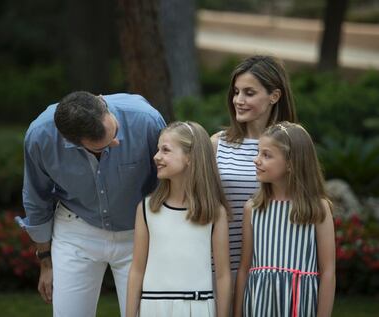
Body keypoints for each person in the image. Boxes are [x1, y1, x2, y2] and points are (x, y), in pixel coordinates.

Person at [15, 91, 166, 317]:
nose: (115, 142)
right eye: (102, 147)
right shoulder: (40, 136)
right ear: (71, 141)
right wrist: (45, 260)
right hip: (76, 230)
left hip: (139, 232)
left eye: (114, 132)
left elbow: (167, 184)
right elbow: (37, 197)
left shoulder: (147, 120)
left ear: (102, 100)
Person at [126, 121, 232, 317]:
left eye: (165, 150)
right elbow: (137, 270)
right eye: (158, 150)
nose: (156, 156)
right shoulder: (146, 210)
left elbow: (223, 275)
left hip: (199, 307)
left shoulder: (215, 213)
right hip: (153, 308)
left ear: (190, 157)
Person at [233, 122, 336, 317]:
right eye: (258, 152)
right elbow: (244, 269)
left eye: (266, 155)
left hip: (301, 305)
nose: (256, 160)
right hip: (259, 305)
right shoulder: (253, 209)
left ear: (291, 163)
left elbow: (328, 272)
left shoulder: (317, 208)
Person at [210, 55, 297, 278]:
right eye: (236, 92)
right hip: (219, 267)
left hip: (270, 269)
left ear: (274, 96)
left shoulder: (293, 146)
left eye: (249, 93)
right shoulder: (216, 144)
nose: (239, 100)